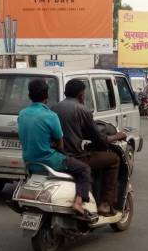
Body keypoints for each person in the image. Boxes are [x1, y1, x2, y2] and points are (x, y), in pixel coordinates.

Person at [17, 79, 91, 217]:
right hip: (49, 161)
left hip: (29, 162)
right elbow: (60, 143)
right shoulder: (50, 116)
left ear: (29, 95)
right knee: (84, 169)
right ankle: (78, 202)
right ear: (47, 96)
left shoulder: (22, 114)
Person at [52, 79, 126, 216]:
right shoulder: (82, 110)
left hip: (57, 156)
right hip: (76, 157)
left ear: (65, 93)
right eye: (84, 93)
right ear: (81, 95)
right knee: (114, 159)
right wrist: (118, 136)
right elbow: (99, 140)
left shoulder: (53, 108)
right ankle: (105, 204)